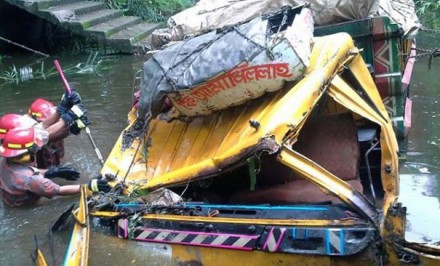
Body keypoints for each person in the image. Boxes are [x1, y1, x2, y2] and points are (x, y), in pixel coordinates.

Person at [0, 127, 111, 207]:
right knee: (61, 199)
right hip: (27, 204)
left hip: (10, 199)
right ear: (27, 153)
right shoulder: (32, 179)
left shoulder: (5, 160)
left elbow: (23, 172)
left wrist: (51, 172)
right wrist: (88, 186)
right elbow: (59, 190)